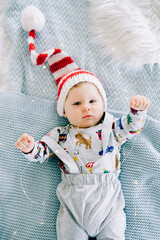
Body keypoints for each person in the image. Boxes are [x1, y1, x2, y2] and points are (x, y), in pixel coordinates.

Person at [16, 15, 150, 239]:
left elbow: (132, 128)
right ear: (65, 111)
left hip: (109, 203)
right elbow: (42, 153)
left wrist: (137, 111)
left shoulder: (111, 128)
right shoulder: (61, 135)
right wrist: (31, 148)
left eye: (92, 101)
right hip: (73, 206)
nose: (86, 108)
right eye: (77, 103)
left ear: (103, 105)